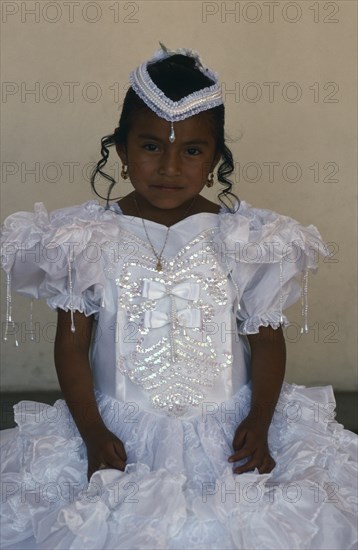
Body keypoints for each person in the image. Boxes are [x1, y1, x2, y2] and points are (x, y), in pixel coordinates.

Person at [0, 45, 357, 550]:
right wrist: (92, 432)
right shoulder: (86, 239)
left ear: (214, 160)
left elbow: (267, 340)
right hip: (116, 427)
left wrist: (259, 422)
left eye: (191, 151)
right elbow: (73, 345)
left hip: (227, 428)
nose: (170, 167)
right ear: (122, 152)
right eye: (150, 146)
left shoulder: (244, 240)